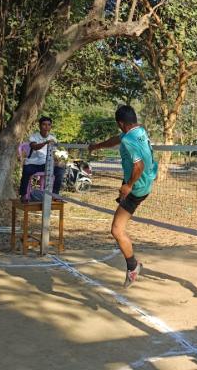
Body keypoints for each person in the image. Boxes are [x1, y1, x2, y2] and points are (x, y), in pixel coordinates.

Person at [87, 105, 157, 288]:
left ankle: (133, 267)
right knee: (121, 209)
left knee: (117, 230)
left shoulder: (128, 141)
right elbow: (116, 139)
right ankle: (123, 195)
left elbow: (139, 166)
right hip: (147, 182)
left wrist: (128, 186)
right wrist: (96, 146)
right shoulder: (139, 130)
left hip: (137, 188)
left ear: (120, 123)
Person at [19, 116, 64, 202]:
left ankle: (55, 194)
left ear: (51, 127)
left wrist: (58, 161)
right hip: (34, 163)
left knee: (60, 170)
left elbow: (54, 154)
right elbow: (34, 147)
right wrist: (45, 143)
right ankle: (23, 195)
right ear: (39, 126)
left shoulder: (53, 138)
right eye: (44, 124)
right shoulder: (33, 137)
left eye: (49, 125)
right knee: (26, 170)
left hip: (47, 164)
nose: (46, 127)